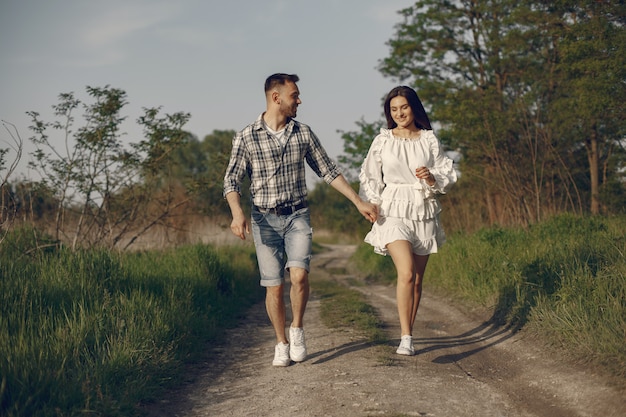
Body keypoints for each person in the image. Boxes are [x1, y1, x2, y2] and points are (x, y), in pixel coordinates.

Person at [223, 73, 378, 367]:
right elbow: (231, 180)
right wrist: (237, 213)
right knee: (274, 286)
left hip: (297, 216)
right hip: (264, 220)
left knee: (299, 276)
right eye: (295, 95)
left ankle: (297, 329)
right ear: (276, 97)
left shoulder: (303, 133)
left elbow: (328, 170)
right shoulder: (246, 136)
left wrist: (358, 201)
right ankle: (281, 342)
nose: (300, 100)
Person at [358, 86, 457, 356]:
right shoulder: (383, 140)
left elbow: (446, 173)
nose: (399, 113)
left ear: (413, 107)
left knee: (417, 279)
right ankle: (404, 336)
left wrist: (431, 177)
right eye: (393, 109)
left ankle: (409, 333)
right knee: (406, 272)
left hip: (422, 209)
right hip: (391, 209)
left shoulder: (429, 140)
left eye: (403, 107)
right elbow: (369, 176)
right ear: (389, 113)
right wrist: (371, 203)